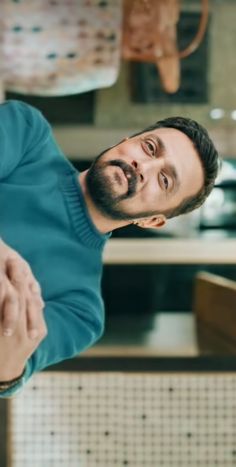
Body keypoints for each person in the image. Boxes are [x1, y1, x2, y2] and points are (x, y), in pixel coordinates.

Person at [0, 100, 219, 397]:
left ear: (152, 221)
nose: (144, 166)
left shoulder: (80, 311)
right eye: (150, 148)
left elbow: (9, 375)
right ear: (125, 141)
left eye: (164, 179)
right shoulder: (27, 131)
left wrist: (9, 369)